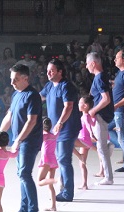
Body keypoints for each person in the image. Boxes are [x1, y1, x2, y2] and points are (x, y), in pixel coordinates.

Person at [0, 64, 43, 212]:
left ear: (26, 78)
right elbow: (9, 116)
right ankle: (24, 208)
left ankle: (33, 211)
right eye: (11, 79)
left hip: (29, 141)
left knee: (24, 173)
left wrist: (18, 140)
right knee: (21, 174)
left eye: (16, 79)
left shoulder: (32, 95)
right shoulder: (16, 95)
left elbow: (32, 121)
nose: (12, 83)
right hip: (21, 140)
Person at [40, 59, 82, 202]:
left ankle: (67, 192)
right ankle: (63, 188)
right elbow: (39, 97)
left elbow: (68, 106)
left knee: (64, 159)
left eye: (51, 70)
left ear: (60, 71)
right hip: (55, 129)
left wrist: (60, 122)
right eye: (47, 70)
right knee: (61, 159)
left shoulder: (66, 86)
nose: (48, 73)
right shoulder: (49, 86)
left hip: (67, 128)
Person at [86, 52, 115, 185]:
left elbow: (106, 99)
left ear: (93, 63)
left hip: (100, 115)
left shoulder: (100, 78)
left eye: (87, 64)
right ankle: (106, 174)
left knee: (101, 147)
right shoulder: (101, 77)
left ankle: (108, 177)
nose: (86, 67)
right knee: (100, 145)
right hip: (101, 115)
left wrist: (93, 110)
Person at [38, 117, 59, 211]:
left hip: (46, 159)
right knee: (50, 185)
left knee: (40, 181)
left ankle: (56, 180)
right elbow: (58, 129)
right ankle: (53, 206)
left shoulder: (43, 135)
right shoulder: (54, 135)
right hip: (52, 158)